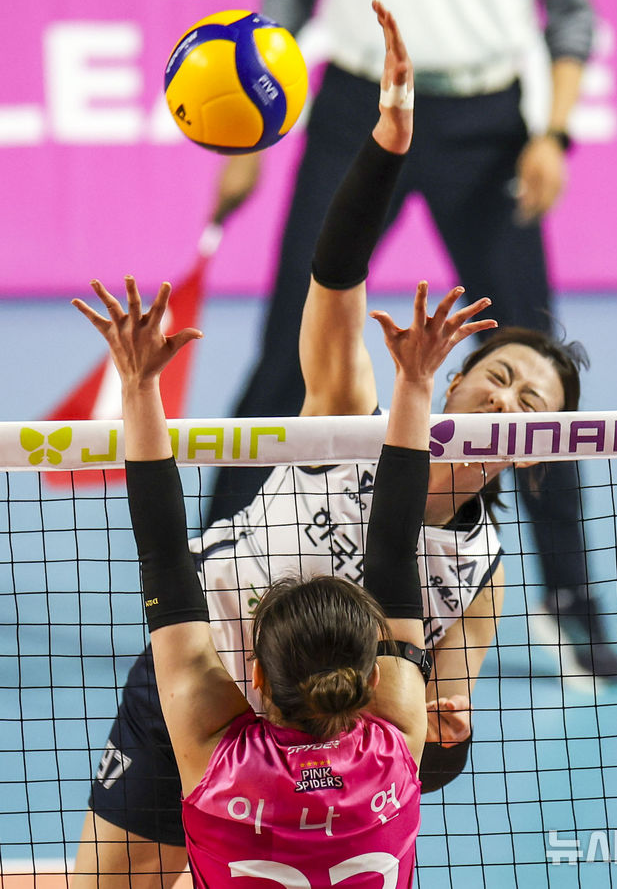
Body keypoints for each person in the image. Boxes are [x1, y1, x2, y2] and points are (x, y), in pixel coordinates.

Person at [70, 0, 586, 887]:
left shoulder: (481, 572)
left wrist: (449, 742)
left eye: (529, 399)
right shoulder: (348, 414)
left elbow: (425, 736)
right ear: (452, 385)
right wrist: (386, 147)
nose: (504, 396)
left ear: (535, 446)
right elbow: (335, 272)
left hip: (322, 743)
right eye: (495, 374)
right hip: (201, 677)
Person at [205, 0, 617, 681]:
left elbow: (570, 9)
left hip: (487, 124)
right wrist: (247, 141)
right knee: (287, 357)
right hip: (356, 109)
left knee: (534, 373)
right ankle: (211, 574)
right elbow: (286, 0)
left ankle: (569, 596)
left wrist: (553, 133)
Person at [72, 259, 494, 887]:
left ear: (257, 677)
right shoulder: (397, 746)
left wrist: (137, 385)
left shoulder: (211, 761)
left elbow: (165, 553)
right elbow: (393, 550)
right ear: (374, 679)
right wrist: (415, 383)